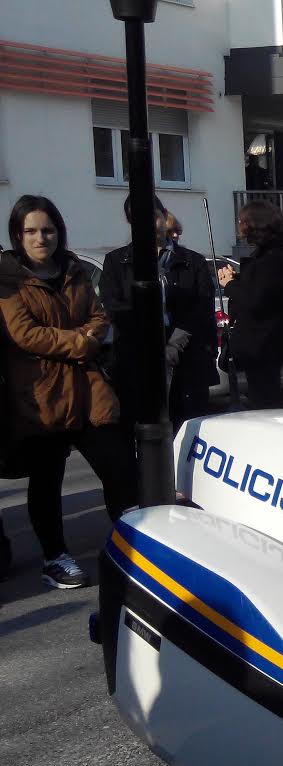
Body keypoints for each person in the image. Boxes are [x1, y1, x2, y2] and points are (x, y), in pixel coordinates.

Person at [0, 196, 137, 588]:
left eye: (47, 230)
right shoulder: (8, 278)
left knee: (120, 469)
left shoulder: (73, 269)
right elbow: (25, 334)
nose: (40, 238)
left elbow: (98, 316)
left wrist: (86, 336)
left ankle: (134, 547)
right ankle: (55, 557)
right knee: (47, 480)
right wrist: (82, 342)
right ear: (17, 235)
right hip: (42, 395)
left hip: (88, 387)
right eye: (30, 231)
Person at [103, 200, 218, 431]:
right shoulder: (117, 261)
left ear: (165, 216)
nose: (148, 225)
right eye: (138, 220)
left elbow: (201, 308)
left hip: (186, 360)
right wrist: (155, 348)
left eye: (153, 217)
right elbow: (117, 310)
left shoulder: (193, 261)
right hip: (138, 362)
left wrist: (175, 344)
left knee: (186, 430)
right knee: (144, 434)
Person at [217, 201, 283, 408]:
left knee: (265, 400)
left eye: (242, 222)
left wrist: (229, 284)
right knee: (263, 395)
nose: (239, 227)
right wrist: (238, 279)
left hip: (264, 343)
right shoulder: (274, 255)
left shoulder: (271, 258)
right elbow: (262, 289)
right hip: (266, 342)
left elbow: (255, 300)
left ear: (255, 225)